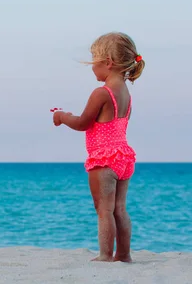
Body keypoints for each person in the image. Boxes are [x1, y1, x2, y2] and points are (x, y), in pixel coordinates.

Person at [52, 32, 145, 262]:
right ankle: (123, 255)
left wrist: (63, 117)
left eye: (94, 61)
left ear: (108, 63)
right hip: (123, 156)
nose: (92, 67)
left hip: (103, 159)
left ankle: (105, 255)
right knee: (119, 209)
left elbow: (83, 123)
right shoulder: (125, 94)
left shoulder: (101, 93)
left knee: (104, 210)